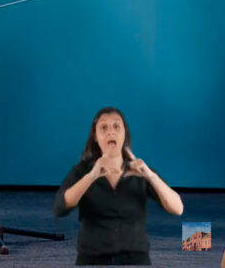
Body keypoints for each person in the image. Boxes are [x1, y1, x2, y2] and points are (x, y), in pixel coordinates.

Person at [54, 107, 184, 265]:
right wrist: (91, 177)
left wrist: (150, 176)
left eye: (116, 127)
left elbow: (178, 208)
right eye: (103, 127)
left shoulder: (140, 171)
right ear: (95, 137)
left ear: (124, 134)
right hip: (92, 258)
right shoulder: (82, 171)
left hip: (135, 258)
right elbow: (60, 208)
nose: (111, 132)